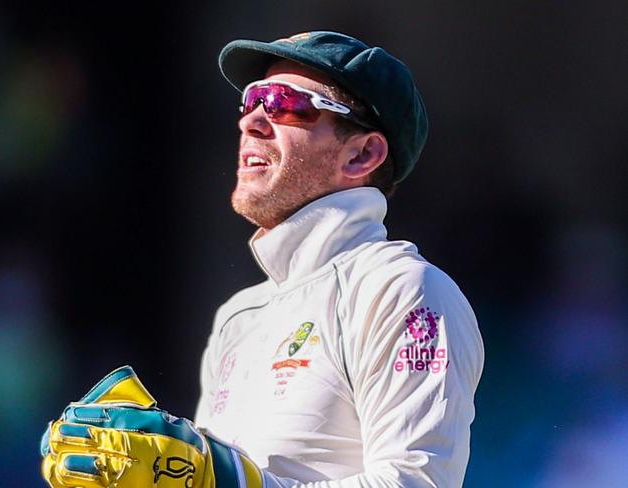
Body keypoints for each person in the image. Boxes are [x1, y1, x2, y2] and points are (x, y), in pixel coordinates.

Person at [41, 31, 484, 488]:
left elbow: (419, 483)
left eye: (284, 102)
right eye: (251, 101)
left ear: (362, 154)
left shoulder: (403, 291)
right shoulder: (238, 317)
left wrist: (229, 480)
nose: (251, 120)